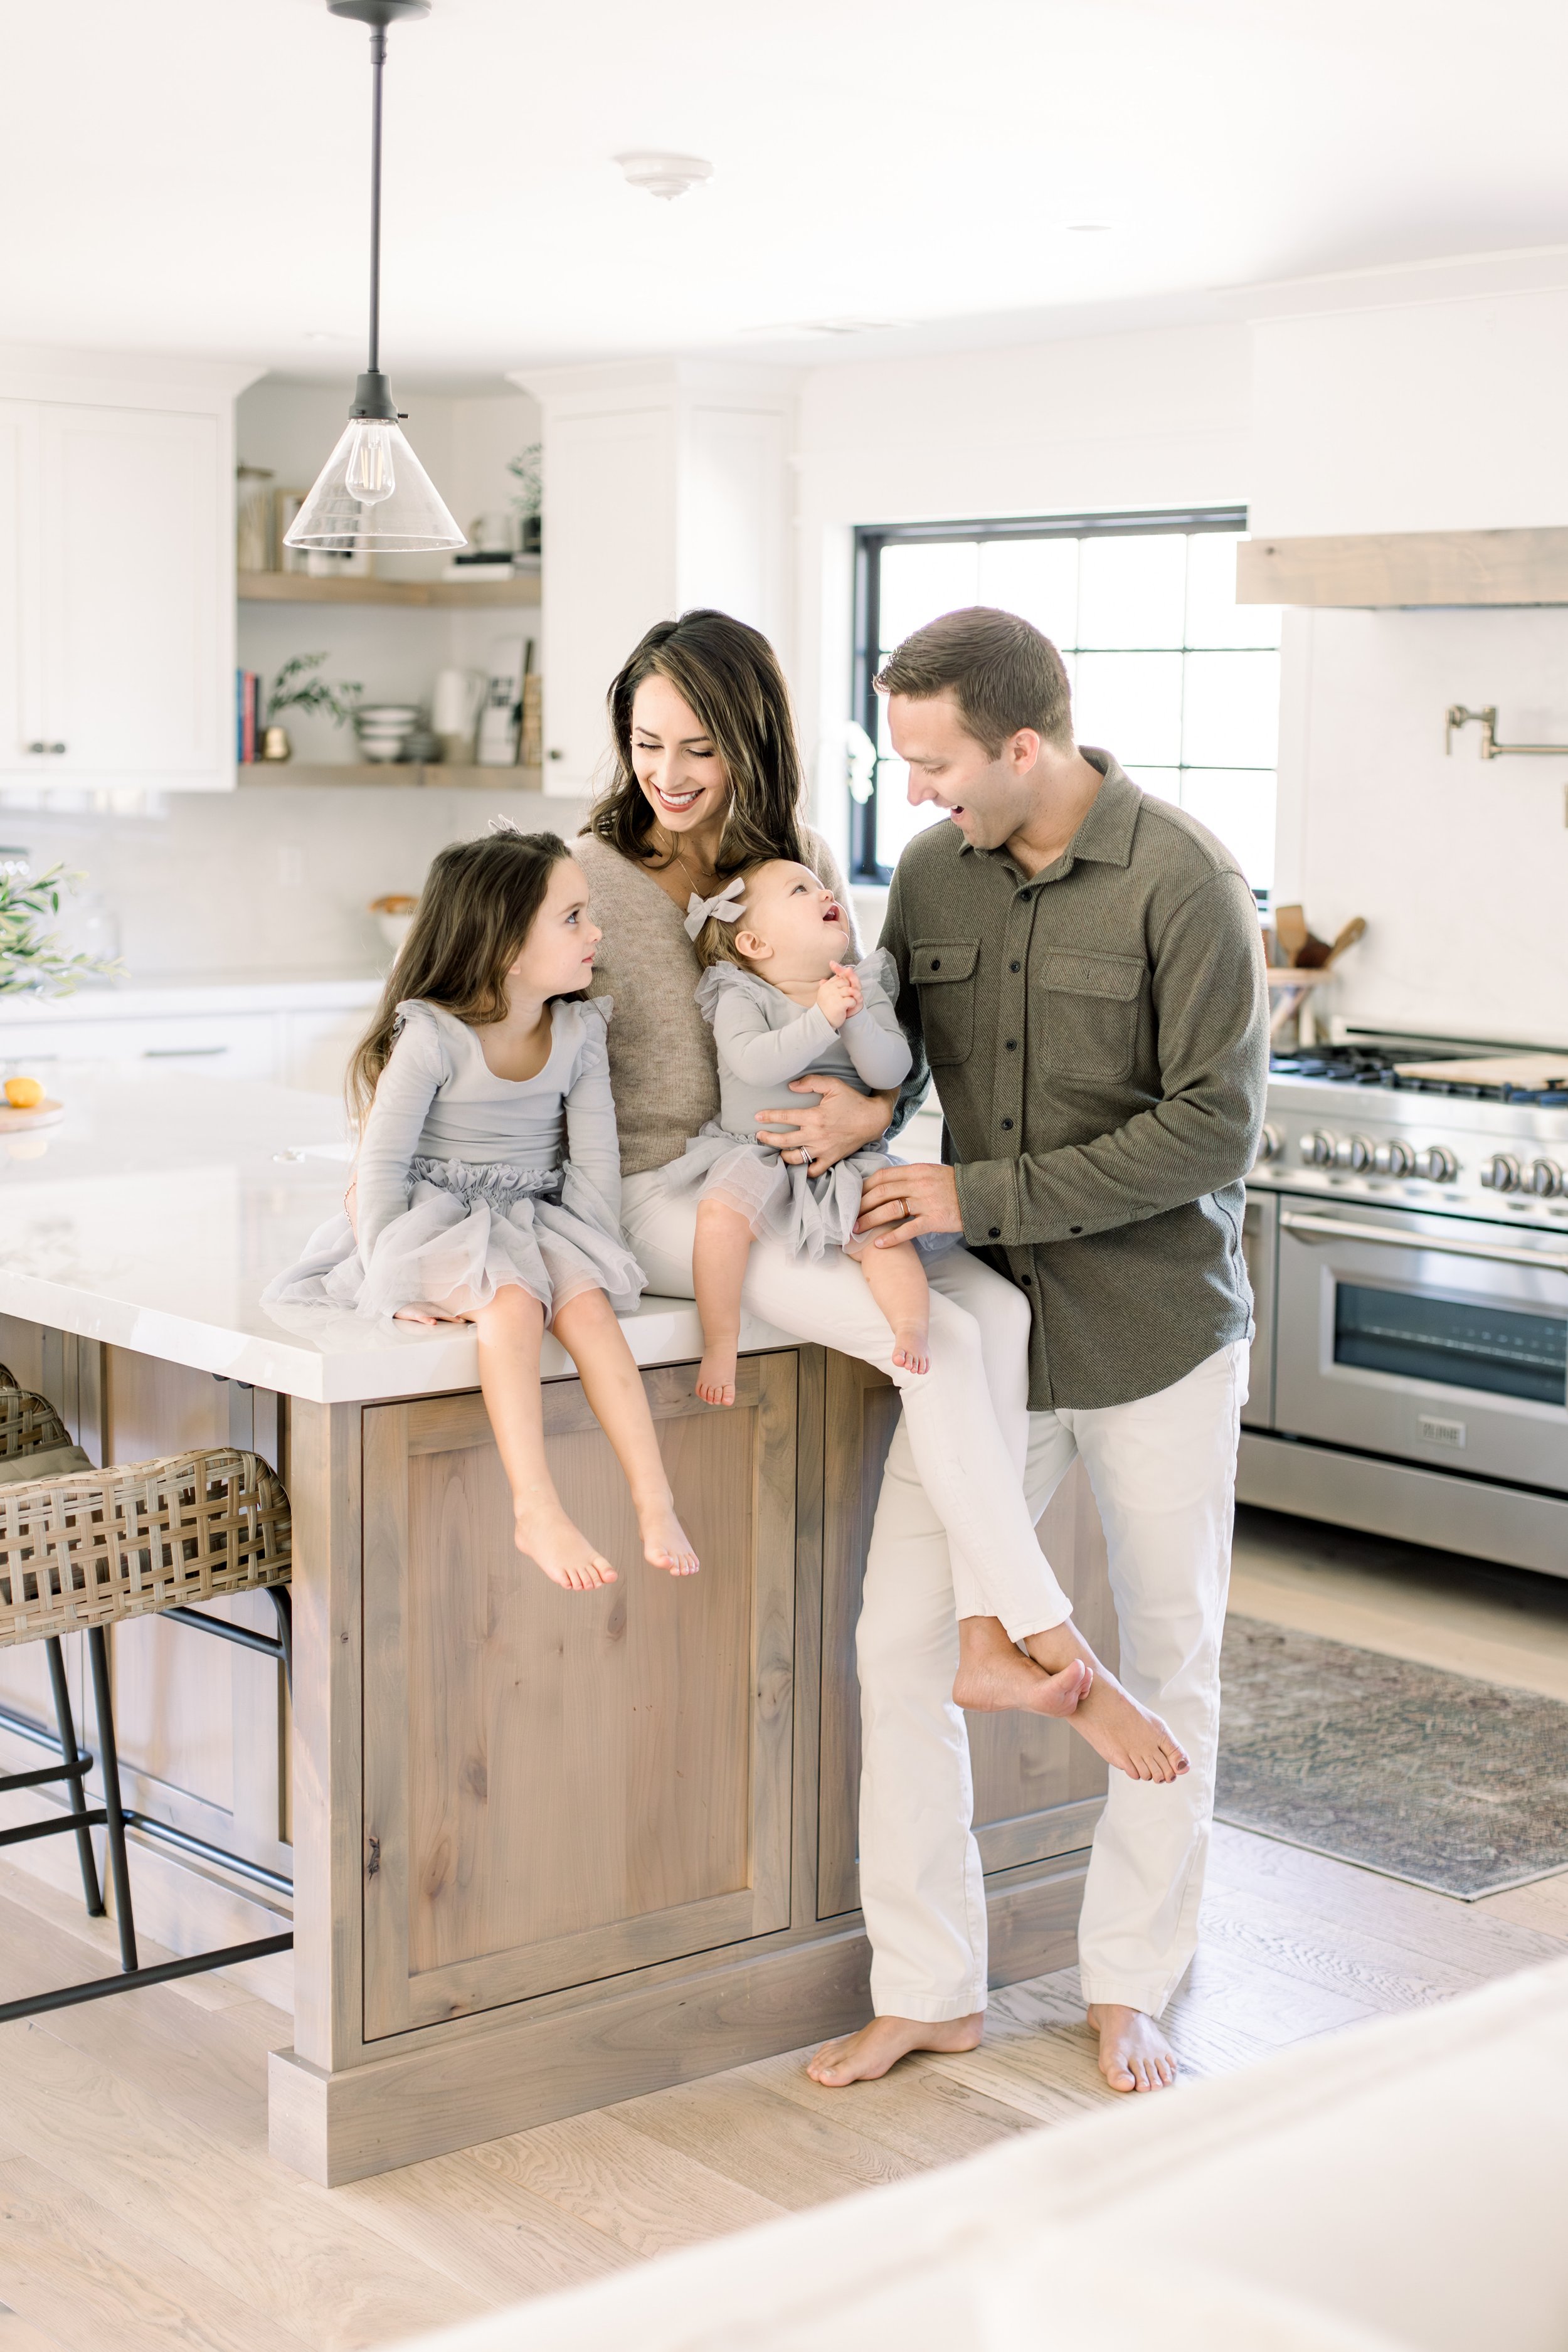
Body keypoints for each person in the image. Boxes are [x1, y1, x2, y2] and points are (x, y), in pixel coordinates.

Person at [805, 605, 1268, 2097]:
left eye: (936, 760)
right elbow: (890, 1057)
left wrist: (973, 1191)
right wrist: (846, 1113)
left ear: (1025, 742)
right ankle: (930, 1987)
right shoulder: (935, 872)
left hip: (1153, 1332)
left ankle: (1131, 1982)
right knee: (899, 1649)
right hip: (981, 1339)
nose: (918, 792)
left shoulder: (1184, 878)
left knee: (1169, 1648)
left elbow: (1212, 1127)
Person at [575, 608, 1166, 1729]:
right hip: (672, 1195)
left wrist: (872, 1111)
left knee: (994, 1309)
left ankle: (983, 1639)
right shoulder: (585, 875)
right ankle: (1044, 1627)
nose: (670, 774)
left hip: (810, 1181)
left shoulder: (800, 869)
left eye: (699, 747)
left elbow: (883, 1037)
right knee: (935, 1338)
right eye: (648, 745)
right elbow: (494, 1043)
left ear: (752, 742)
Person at [265, 827, 699, 1592]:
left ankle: (654, 1498)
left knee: (589, 1308)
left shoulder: (577, 1031)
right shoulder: (433, 1036)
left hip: (532, 1213)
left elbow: (593, 1163)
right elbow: (382, 1165)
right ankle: (534, 1506)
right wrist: (387, 1273)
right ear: (506, 949)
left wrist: (589, 1258)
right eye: (572, 918)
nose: (595, 931)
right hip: (433, 1218)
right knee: (509, 1302)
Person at [672, 859, 938, 1397]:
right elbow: (754, 1062)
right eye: (800, 890)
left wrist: (857, 1017)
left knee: (884, 1237)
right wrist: (822, 1020)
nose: (822, 893)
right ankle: (721, 1341)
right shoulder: (739, 992)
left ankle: (910, 1326)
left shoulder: (862, 986)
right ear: (755, 944)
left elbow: (891, 1071)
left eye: (821, 885)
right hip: (756, 1151)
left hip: (845, 1159)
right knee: (720, 1217)